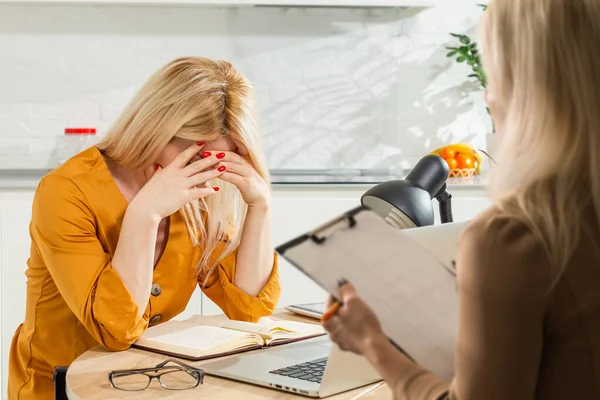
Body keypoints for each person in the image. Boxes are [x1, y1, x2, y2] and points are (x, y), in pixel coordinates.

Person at [323, 0, 600, 398]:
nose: (488, 96)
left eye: (495, 75)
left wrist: (372, 342)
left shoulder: (515, 239)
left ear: (531, 88)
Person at [8, 57, 281, 399]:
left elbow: (248, 310)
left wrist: (260, 205)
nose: (209, 170)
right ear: (155, 127)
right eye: (197, 155)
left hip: (150, 383)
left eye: (223, 158)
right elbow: (116, 329)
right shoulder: (66, 191)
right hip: (62, 385)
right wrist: (145, 214)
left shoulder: (200, 192)